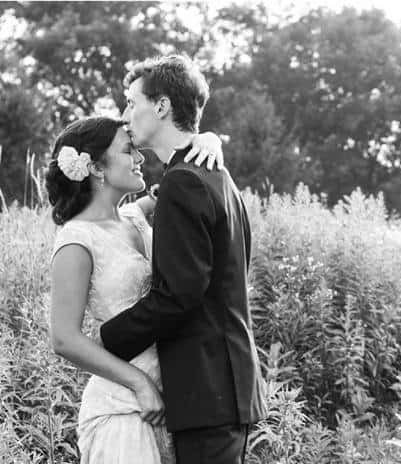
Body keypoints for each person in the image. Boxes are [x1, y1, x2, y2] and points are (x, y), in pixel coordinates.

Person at [98, 55, 267, 464]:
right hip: (224, 389)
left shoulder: (184, 180)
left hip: (209, 390)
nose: (126, 114)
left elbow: (178, 295)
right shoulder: (214, 174)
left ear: (161, 107)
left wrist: (106, 340)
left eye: (131, 102)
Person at [47, 114, 226, 463]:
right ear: (97, 167)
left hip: (169, 406)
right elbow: (63, 339)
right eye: (129, 150)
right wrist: (138, 383)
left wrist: (210, 140)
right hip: (122, 412)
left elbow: (186, 180)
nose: (141, 157)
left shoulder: (134, 217)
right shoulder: (76, 239)